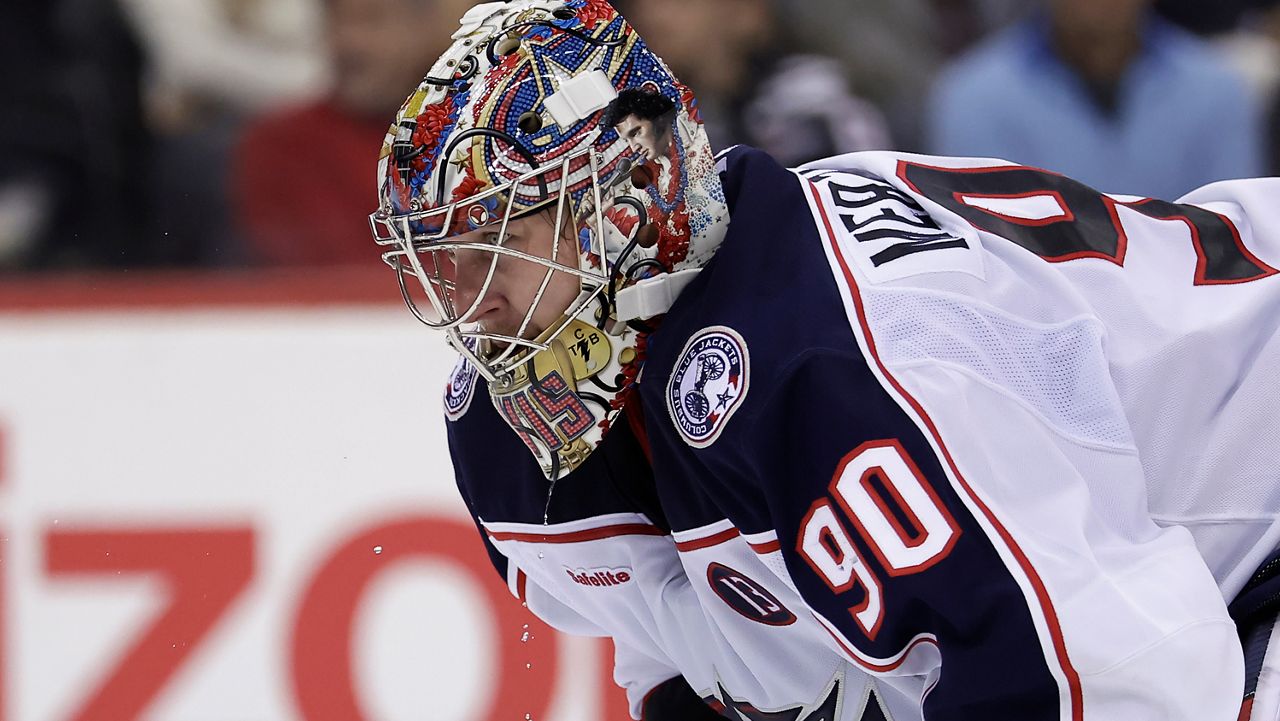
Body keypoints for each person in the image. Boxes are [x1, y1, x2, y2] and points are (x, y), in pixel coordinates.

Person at [370, 2, 1280, 719]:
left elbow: (1102, 675)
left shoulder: (827, 358)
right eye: (436, 256)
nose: (468, 297)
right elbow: (700, 658)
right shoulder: (520, 436)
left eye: (499, 241)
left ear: (626, 198)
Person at [926, 0, 1263, 201]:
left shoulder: (1218, 89)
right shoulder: (972, 96)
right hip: (1038, 314)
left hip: (1191, 309)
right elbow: (989, 247)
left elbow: (1230, 237)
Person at [232, 0, 475, 266]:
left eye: (372, 21)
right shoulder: (282, 144)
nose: (349, 42)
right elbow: (322, 276)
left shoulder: (473, 132)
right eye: (337, 22)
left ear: (424, 28)